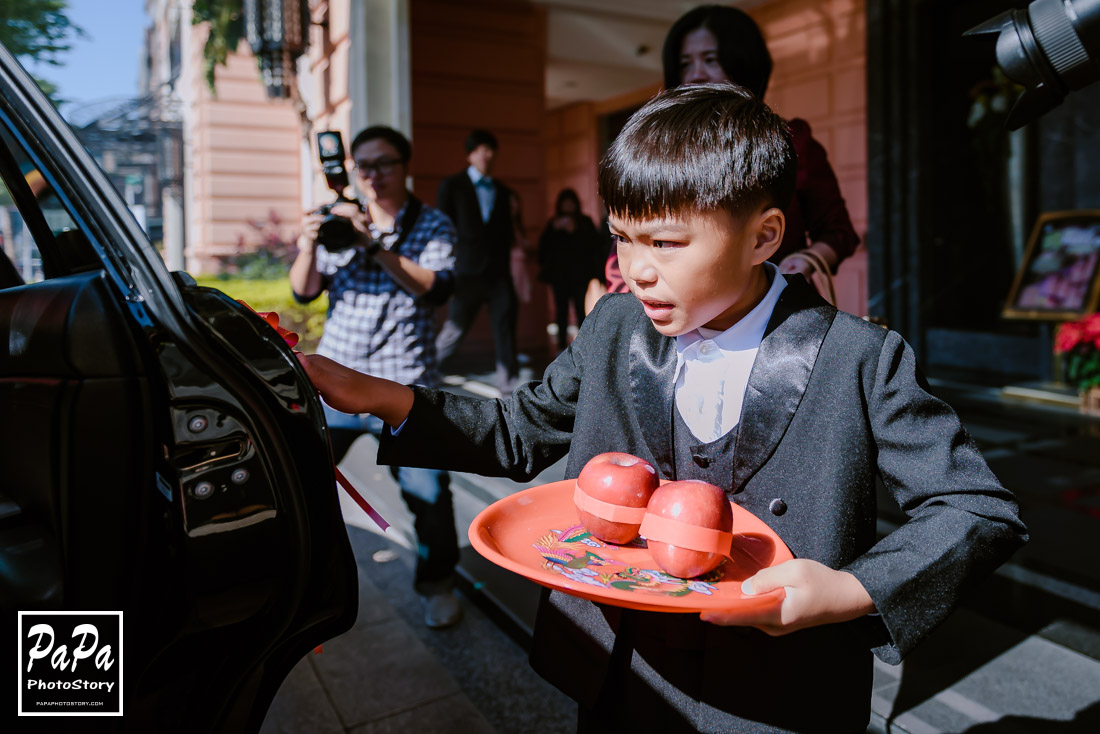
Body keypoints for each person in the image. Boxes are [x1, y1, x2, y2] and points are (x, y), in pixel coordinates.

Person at [296, 85, 1027, 732]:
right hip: (617, 666)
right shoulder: (616, 327)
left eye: (667, 242)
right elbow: (519, 432)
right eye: (622, 236)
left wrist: (849, 588)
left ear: (764, 235)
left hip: (775, 697)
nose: (638, 267)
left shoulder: (857, 357)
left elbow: (974, 508)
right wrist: (378, 395)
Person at [289, 125, 464, 629]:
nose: (372, 174)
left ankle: (438, 585)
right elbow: (303, 292)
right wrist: (308, 243)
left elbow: (435, 289)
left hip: (403, 387)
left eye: (383, 163)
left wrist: (371, 244)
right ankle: (304, 582)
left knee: (429, 497)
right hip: (336, 381)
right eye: (362, 165)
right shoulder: (336, 219)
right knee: (302, 481)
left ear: (405, 166)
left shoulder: (431, 224)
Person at [592, 4, 861, 309]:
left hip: (774, 309)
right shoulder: (656, 148)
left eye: (710, 60)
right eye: (685, 63)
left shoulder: (794, 141)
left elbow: (838, 230)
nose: (695, 75)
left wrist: (807, 260)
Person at [434, 129, 520, 396]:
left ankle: (510, 390)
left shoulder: (505, 191)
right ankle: (426, 370)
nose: (487, 154)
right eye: (481, 149)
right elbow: (441, 227)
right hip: (466, 273)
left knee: (505, 331)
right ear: (470, 154)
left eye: (490, 149)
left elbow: (509, 232)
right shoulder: (452, 186)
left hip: (498, 274)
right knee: (454, 329)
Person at [537, 188, 603, 351]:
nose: (568, 207)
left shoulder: (585, 222)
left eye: (570, 203)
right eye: (565, 204)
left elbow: (594, 246)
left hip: (581, 275)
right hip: (560, 277)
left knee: (581, 310)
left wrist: (575, 231)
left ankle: (582, 347)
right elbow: (544, 249)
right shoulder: (553, 223)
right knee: (561, 312)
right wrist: (554, 229)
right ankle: (560, 348)